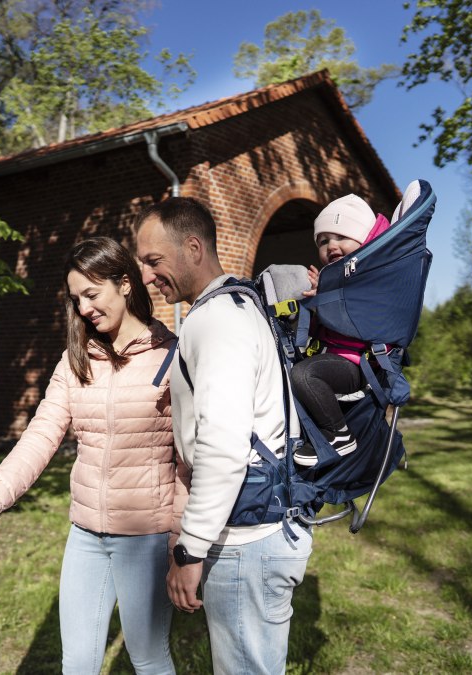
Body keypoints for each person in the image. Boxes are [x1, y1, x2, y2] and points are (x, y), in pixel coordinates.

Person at [0, 237, 182, 675]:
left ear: (125, 284)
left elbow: (190, 461)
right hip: (86, 536)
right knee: (78, 662)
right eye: (76, 300)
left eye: (92, 294)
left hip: (147, 537)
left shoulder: (172, 357)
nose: (85, 308)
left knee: (147, 657)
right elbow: (39, 437)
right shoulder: (75, 363)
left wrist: (182, 541)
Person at [134, 197, 313, 674]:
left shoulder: (216, 320)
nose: (147, 277)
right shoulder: (241, 302)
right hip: (265, 526)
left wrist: (190, 549)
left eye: (154, 261)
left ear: (193, 247)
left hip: (244, 540)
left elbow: (223, 443)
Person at [290, 194, 391, 467]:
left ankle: (338, 434)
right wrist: (310, 305)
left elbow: (359, 316)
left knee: (304, 374)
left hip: (357, 364)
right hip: (333, 357)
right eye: (323, 241)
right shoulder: (334, 280)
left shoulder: (371, 276)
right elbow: (318, 329)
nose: (331, 245)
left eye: (341, 237)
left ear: (363, 241)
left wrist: (326, 295)